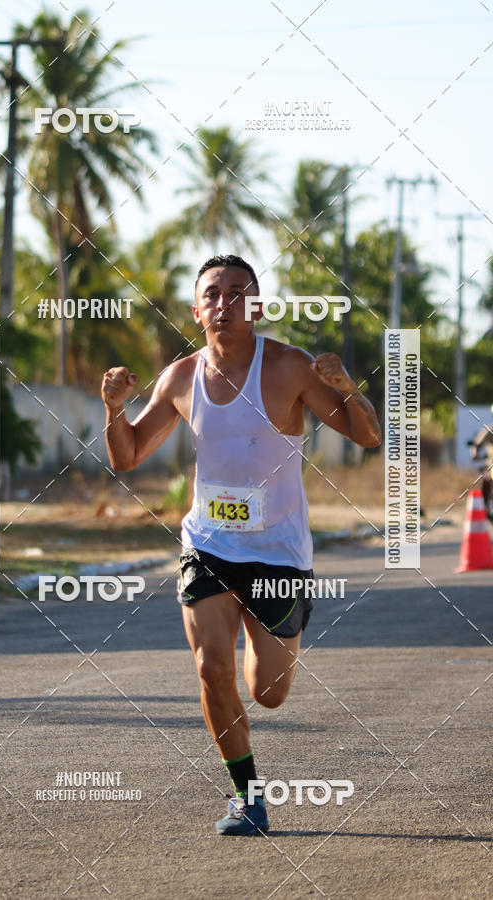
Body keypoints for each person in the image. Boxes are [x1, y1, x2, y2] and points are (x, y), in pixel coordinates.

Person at [102, 254, 381, 835]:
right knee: (210, 667)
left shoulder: (288, 367)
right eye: (212, 294)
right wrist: (112, 409)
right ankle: (248, 797)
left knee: (269, 692)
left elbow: (367, 436)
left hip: (277, 552)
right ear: (197, 308)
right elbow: (126, 456)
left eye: (237, 293)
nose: (224, 303)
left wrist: (347, 387)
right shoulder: (180, 378)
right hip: (207, 543)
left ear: (257, 303)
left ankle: (280, 638)